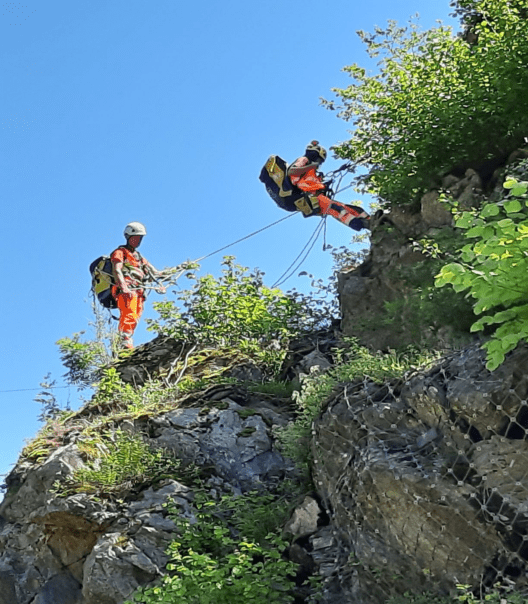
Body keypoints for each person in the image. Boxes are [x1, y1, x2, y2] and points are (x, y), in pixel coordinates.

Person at [111, 222, 169, 350]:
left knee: (135, 316)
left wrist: (175, 270)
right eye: (136, 237)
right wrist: (124, 287)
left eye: (140, 238)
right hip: (127, 289)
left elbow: (155, 273)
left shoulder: (139, 257)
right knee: (129, 314)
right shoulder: (120, 252)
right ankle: (124, 343)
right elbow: (117, 269)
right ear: (129, 237)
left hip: (138, 291)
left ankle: (125, 342)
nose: (138, 240)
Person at [288, 141, 370, 231]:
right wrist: (311, 166)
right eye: (319, 160)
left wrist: (324, 185)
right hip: (309, 196)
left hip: (317, 197)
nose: (319, 163)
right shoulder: (304, 160)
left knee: (353, 209)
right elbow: (292, 171)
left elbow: (312, 184)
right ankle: (357, 223)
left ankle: (369, 220)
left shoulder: (312, 174)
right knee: (336, 209)